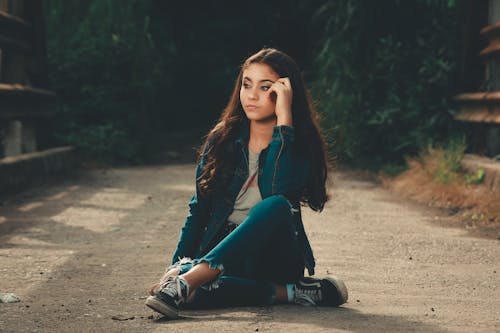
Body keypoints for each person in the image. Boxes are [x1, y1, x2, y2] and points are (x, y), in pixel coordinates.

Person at [145, 47, 348, 319]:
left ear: (284, 94)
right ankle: (291, 292)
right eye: (246, 84)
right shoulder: (223, 138)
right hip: (224, 254)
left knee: (275, 205)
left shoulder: (298, 144)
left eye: (265, 87)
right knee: (191, 291)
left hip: (274, 255)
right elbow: (199, 209)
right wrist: (176, 267)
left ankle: (192, 280)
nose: (251, 95)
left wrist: (284, 120)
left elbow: (278, 192)